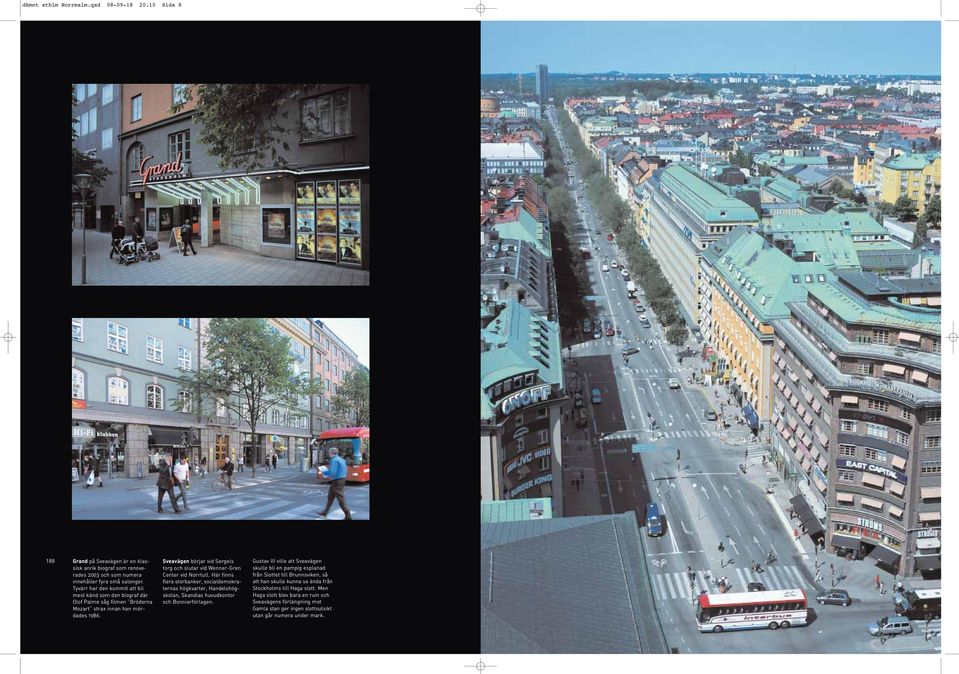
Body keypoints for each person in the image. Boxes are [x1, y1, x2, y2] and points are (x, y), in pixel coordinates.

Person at [317, 448, 352, 520]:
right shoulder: (341, 459)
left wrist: (324, 472)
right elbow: (345, 470)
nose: (329, 454)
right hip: (341, 480)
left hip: (337, 481)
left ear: (331, 453)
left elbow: (332, 472)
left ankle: (348, 515)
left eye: (329, 453)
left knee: (340, 498)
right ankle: (325, 512)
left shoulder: (334, 460)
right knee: (330, 496)